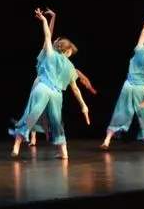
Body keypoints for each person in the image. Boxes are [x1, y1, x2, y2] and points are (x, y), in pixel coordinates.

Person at [9, 8, 89, 160]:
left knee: (31, 115)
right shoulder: (70, 67)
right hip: (56, 94)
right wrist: (83, 105)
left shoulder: (51, 54)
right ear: (66, 50)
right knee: (56, 121)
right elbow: (75, 89)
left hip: (43, 86)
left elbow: (47, 34)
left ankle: (17, 145)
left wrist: (45, 20)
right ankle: (64, 152)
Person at [24, 8, 97, 147]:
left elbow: (50, 34)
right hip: (41, 81)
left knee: (47, 111)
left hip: (49, 82)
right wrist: (51, 19)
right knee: (36, 109)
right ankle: (33, 136)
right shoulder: (47, 50)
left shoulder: (58, 57)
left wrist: (53, 17)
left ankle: (51, 135)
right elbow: (48, 33)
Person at [101, 13, 144, 151]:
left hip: (128, 86)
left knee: (120, 111)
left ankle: (107, 139)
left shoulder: (141, 50)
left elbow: (143, 33)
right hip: (141, 89)